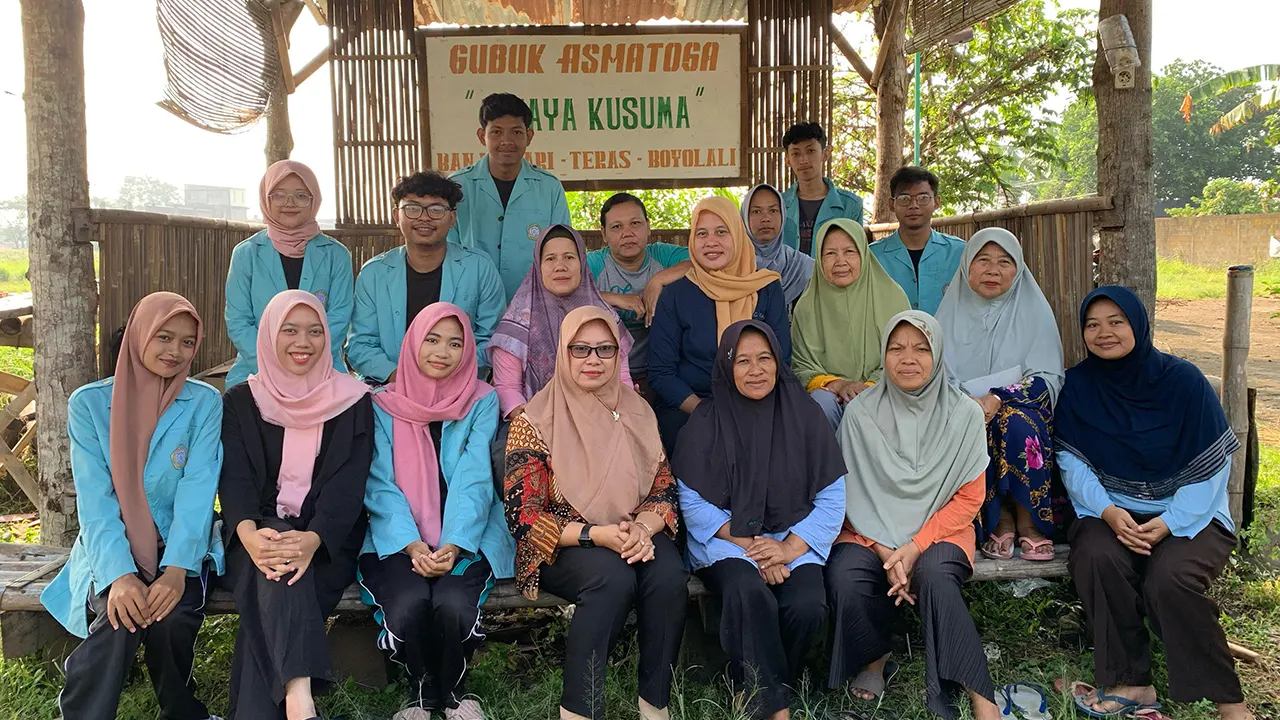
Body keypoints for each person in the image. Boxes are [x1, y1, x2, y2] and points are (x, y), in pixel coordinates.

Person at [1057, 286, 1251, 720]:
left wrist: (1170, 521)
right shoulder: (1078, 386)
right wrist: (1108, 512)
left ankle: (1229, 702)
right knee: (1095, 554)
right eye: (1093, 324)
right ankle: (1132, 683)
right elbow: (1071, 462)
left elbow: (1212, 466)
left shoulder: (1183, 381)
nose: (1104, 333)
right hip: (1109, 508)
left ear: (1138, 325)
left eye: (1116, 321)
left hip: (1191, 513)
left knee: (1171, 578)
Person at [41, 292, 223, 720]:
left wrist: (176, 569)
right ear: (139, 334)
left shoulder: (203, 403)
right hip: (112, 546)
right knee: (120, 615)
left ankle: (182, 712)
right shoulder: (89, 404)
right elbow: (95, 499)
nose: (175, 352)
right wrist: (120, 576)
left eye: (187, 342)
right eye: (164, 337)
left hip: (181, 544)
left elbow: (198, 491)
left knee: (171, 618)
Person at [504, 306, 687, 720]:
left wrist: (642, 528)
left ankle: (655, 702)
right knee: (611, 578)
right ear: (563, 355)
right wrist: (595, 535)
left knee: (668, 575)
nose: (593, 360)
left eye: (605, 349)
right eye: (580, 349)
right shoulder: (534, 419)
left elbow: (664, 487)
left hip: (633, 529)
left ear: (618, 355)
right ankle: (580, 709)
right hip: (563, 542)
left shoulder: (638, 410)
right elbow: (525, 517)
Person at [827, 311, 999, 720]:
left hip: (941, 531)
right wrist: (889, 551)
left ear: (937, 355)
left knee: (936, 576)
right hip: (868, 532)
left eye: (921, 349)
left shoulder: (964, 414)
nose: (909, 358)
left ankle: (980, 692)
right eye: (897, 348)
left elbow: (968, 500)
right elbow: (846, 497)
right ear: (883, 356)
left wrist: (914, 547)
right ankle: (874, 657)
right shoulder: (860, 414)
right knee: (845, 576)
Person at [674, 320, 846, 720]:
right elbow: (690, 497)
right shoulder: (706, 421)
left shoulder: (805, 416)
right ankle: (772, 708)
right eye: (743, 360)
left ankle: (767, 684)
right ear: (726, 367)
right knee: (746, 593)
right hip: (728, 540)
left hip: (793, 539)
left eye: (764, 358)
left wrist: (785, 548)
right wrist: (752, 547)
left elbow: (833, 496)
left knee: (807, 607)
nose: (756, 370)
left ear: (778, 362)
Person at [220, 290, 373, 720]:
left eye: (314, 331)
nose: (302, 342)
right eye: (289, 330)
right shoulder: (240, 402)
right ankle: (300, 699)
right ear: (269, 335)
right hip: (253, 539)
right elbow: (235, 482)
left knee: (273, 587)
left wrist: (312, 539)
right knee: (275, 567)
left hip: (327, 543)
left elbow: (349, 484)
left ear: (329, 337)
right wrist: (248, 535)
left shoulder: (353, 401)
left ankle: (291, 699)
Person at [359, 303, 515, 720]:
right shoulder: (381, 403)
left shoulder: (481, 400)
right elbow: (379, 482)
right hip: (396, 538)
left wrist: (453, 543)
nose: (442, 352)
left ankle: (453, 694)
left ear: (468, 351)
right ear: (412, 342)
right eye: (431, 339)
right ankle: (422, 691)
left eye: (455, 343)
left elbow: (474, 477)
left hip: (468, 535)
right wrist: (412, 545)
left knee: (452, 605)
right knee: (408, 604)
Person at [935, 227, 1065, 562]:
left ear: (1018, 269)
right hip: (961, 408)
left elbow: (1048, 376)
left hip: (1021, 410)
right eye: (983, 261)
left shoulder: (1033, 309)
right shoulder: (947, 313)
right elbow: (934, 373)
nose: (993, 270)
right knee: (969, 422)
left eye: (1004, 262)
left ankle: (1028, 521)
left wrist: (999, 396)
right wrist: (968, 402)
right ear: (967, 266)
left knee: (1016, 423)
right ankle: (997, 518)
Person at [647, 196, 792, 454]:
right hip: (693, 406)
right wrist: (705, 410)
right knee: (686, 434)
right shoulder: (676, 295)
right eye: (701, 233)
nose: (711, 241)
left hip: (758, 398)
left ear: (738, 235)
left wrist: (746, 406)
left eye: (721, 232)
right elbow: (661, 372)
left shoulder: (767, 288)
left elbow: (781, 358)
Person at [347, 172, 507, 384]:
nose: (424, 217)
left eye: (436, 209)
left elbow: (492, 338)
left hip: (460, 386)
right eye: (412, 208)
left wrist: (447, 375)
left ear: (452, 218)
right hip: (390, 386)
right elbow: (361, 344)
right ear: (397, 216)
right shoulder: (374, 273)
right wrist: (402, 378)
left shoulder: (479, 267)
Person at [225, 160, 353, 387]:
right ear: (266, 199)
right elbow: (238, 320)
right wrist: (274, 366)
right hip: (256, 370)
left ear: (314, 200)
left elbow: (340, 315)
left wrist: (305, 364)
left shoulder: (336, 255)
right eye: (279, 195)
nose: (290, 203)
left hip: (323, 370)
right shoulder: (247, 254)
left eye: (301, 195)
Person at [488, 224, 632, 421]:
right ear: (538, 266)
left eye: (569, 257)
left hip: (601, 418)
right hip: (534, 420)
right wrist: (533, 424)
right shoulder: (518, 321)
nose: (560, 266)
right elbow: (508, 388)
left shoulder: (604, 318)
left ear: (582, 263)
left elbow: (622, 379)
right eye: (550, 259)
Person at [448, 93, 572, 299]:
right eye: (496, 132)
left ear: (529, 136)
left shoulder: (549, 187)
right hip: (470, 302)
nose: (506, 141)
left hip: (534, 304)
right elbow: (447, 250)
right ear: (482, 136)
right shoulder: (458, 186)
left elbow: (563, 248)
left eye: (516, 132)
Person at [792, 219, 909, 431]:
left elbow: (906, 355)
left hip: (885, 389)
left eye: (849, 251)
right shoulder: (807, 307)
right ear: (818, 258)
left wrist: (869, 387)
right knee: (821, 404)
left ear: (864, 254)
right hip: (829, 394)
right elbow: (801, 365)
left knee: (865, 405)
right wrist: (837, 384)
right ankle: (830, 464)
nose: (840, 261)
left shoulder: (892, 298)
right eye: (830, 253)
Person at [588, 192, 691, 382]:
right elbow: (566, 292)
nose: (627, 233)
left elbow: (702, 261)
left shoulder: (662, 255)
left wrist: (657, 280)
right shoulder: (594, 263)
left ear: (648, 227)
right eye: (617, 227)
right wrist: (613, 298)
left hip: (663, 371)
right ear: (604, 235)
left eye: (635, 223)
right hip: (606, 375)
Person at [869, 166, 966, 314]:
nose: (913, 206)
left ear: (937, 202)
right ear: (891, 204)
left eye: (922, 198)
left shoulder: (959, 252)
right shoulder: (872, 256)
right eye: (904, 199)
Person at [778, 122, 864, 256]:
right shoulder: (778, 205)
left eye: (810, 151)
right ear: (787, 160)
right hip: (786, 277)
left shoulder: (850, 206)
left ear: (825, 154)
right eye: (796, 153)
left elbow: (856, 254)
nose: (803, 160)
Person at [741, 183, 813, 305]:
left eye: (773, 210)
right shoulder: (732, 265)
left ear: (783, 215)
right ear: (744, 217)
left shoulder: (801, 266)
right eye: (756, 211)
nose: (766, 218)